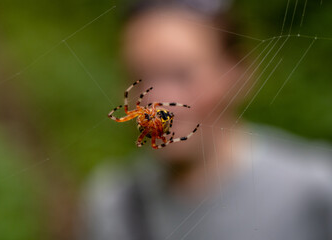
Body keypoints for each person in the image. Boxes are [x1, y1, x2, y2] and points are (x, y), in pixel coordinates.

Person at [77, 1, 332, 239]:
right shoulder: (112, 202)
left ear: (239, 71)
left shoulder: (318, 190)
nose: (161, 97)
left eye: (181, 74)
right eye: (140, 76)